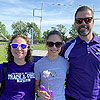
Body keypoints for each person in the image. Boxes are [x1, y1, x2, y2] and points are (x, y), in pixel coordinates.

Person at [60, 6, 100, 100]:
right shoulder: (67, 47)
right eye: (79, 20)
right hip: (72, 97)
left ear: (93, 21)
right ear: (75, 23)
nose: (83, 23)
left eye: (87, 20)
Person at [34, 30, 69, 100]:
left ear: (62, 44)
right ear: (46, 44)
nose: (54, 47)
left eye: (58, 44)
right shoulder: (38, 64)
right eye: (50, 44)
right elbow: (36, 85)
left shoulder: (66, 63)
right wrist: (39, 92)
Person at [0, 33, 35, 100]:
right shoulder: (2, 68)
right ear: (10, 49)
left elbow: (38, 88)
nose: (19, 49)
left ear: (28, 49)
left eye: (23, 46)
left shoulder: (35, 67)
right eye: (14, 45)